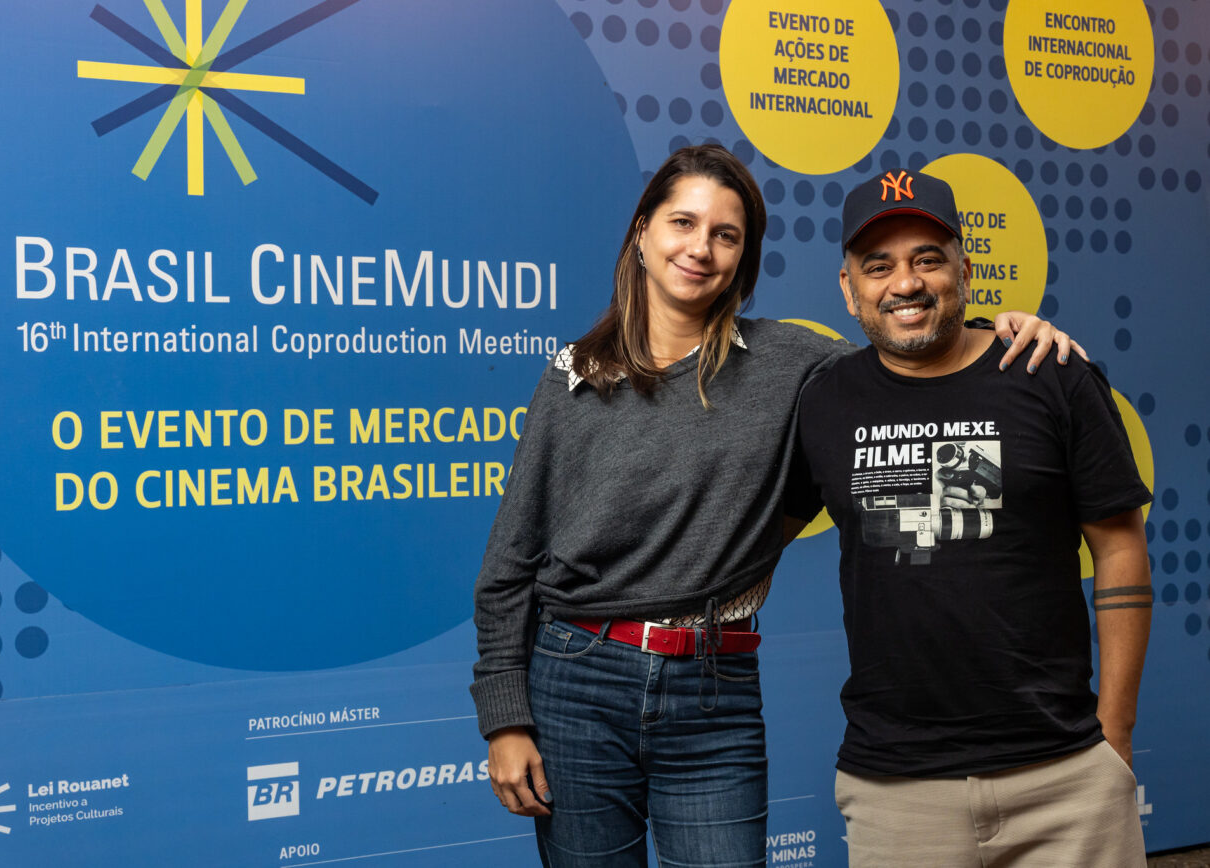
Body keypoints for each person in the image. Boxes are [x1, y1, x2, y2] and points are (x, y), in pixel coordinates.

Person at [470, 146, 1074, 868]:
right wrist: (504, 718)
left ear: (745, 257)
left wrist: (1003, 334)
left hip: (713, 687)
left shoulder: (796, 366)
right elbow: (509, 566)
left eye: (727, 235)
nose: (701, 248)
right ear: (642, 233)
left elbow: (911, 365)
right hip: (575, 678)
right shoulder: (573, 377)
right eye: (683, 223)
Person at [795, 168, 1152, 867]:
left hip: (1065, 776)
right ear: (848, 288)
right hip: (896, 789)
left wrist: (1114, 735)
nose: (906, 283)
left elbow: (1120, 548)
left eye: (929, 258)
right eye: (880, 266)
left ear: (966, 268)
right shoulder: (824, 401)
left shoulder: (1054, 374)